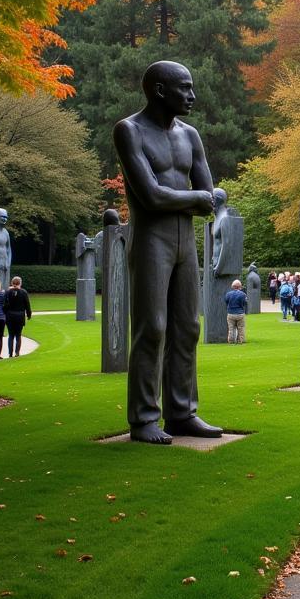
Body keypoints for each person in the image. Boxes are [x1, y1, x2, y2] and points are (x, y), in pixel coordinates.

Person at [113, 59, 221, 445]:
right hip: (151, 241)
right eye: (185, 88)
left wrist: (195, 199)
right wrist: (195, 199)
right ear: (160, 90)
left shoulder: (190, 135)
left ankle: (182, 412)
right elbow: (152, 196)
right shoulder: (130, 131)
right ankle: (143, 418)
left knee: (188, 327)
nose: (192, 96)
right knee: (152, 327)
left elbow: (210, 197)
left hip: (184, 243)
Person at [4, 276, 32, 358]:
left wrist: (5, 312)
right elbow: (27, 304)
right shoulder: (23, 292)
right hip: (19, 316)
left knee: (11, 335)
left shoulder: (8, 292)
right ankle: (17, 352)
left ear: (12, 283)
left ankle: (10, 353)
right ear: (20, 283)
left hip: (10, 315)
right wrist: (29, 314)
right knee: (18, 335)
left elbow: (5, 304)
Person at [225, 279, 248, 343]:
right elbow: (244, 303)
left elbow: (226, 302)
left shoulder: (228, 294)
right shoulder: (243, 294)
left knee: (231, 329)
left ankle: (231, 341)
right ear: (240, 286)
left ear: (232, 286)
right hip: (240, 313)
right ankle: (240, 340)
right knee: (241, 328)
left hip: (231, 313)